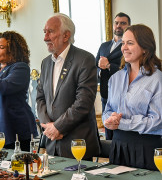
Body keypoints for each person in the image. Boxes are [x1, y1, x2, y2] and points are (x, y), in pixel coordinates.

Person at [36, 13, 100, 160]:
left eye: (50, 32)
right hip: (52, 143)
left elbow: (83, 102)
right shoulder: (46, 63)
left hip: (77, 143)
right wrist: (49, 127)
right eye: (44, 32)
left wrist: (58, 127)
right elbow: (40, 98)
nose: (45, 37)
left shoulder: (85, 59)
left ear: (66, 36)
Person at [102, 24, 162, 170]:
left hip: (147, 149)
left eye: (130, 43)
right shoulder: (114, 78)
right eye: (123, 43)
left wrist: (121, 123)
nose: (124, 48)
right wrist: (108, 121)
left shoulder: (157, 79)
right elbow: (107, 110)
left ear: (145, 48)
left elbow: (157, 121)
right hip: (118, 147)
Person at [96, 12, 131, 140]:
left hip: (121, 93)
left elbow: (129, 68)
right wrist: (101, 69)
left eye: (123, 23)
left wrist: (109, 66)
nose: (118, 26)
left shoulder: (128, 46)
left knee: (119, 127)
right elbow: (96, 66)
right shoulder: (104, 46)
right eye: (116, 23)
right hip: (105, 93)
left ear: (128, 26)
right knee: (107, 128)